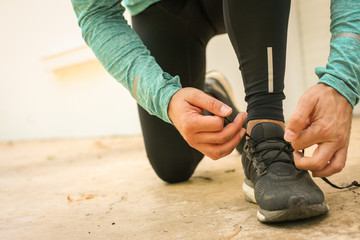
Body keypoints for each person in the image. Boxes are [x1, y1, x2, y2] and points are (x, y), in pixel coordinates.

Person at [71, 0, 360, 222]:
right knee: (173, 166)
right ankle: (214, 98)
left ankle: (266, 127)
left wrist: (342, 80)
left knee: (261, 121)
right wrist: (165, 99)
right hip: (159, 8)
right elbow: (97, 14)